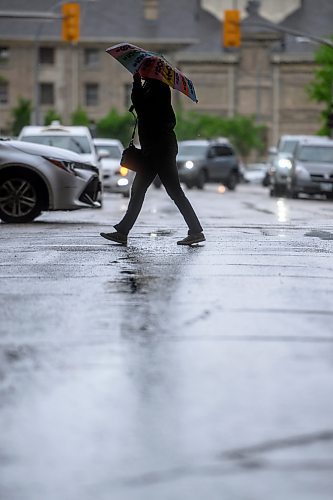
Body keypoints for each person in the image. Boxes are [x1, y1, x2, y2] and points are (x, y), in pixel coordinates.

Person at [100, 73, 205, 246]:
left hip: (160, 151)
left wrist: (135, 82)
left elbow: (141, 106)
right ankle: (122, 231)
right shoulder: (153, 86)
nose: (142, 72)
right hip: (153, 150)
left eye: (145, 69)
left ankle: (196, 231)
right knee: (138, 190)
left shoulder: (158, 88)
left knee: (174, 191)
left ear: (153, 72)